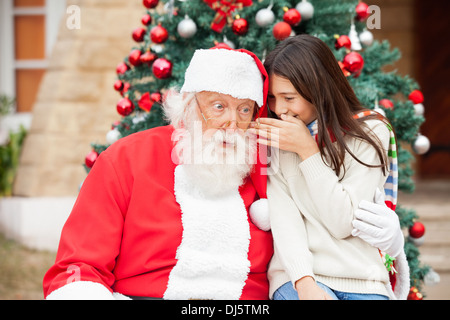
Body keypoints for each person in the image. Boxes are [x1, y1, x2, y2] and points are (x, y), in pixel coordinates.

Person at [43, 45, 406, 300]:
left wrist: (392, 244)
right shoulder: (127, 160)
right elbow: (78, 267)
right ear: (187, 105)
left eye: (245, 110)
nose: (232, 123)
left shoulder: (266, 161)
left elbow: (324, 218)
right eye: (218, 107)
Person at [248, 35, 410, 300]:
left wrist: (308, 152)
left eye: (289, 97)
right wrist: (304, 283)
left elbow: (342, 222)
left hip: (364, 281)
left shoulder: (369, 132)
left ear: (318, 89)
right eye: (273, 98)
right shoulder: (276, 143)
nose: (280, 110)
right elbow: (286, 222)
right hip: (297, 278)